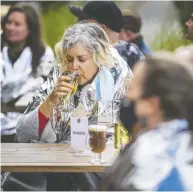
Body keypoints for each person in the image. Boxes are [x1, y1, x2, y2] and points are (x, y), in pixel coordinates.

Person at [2, 22, 132, 191]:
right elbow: (23, 133)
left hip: (94, 171)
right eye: (69, 59)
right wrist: (49, 102)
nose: (73, 66)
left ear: (98, 58)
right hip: (54, 166)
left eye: (81, 59)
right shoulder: (59, 76)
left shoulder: (117, 80)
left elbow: (119, 139)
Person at [102, 53, 193, 191]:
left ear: (152, 104)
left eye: (131, 88)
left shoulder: (150, 154)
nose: (126, 97)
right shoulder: (182, 142)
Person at [0, 3, 55, 142]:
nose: (10, 27)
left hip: (25, 125)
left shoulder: (43, 54)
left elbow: (46, 92)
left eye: (17, 24)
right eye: (8, 22)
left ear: (30, 28)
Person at [68, 1, 144, 69]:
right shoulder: (133, 53)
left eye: (85, 24)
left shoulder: (107, 59)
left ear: (101, 28)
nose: (80, 28)